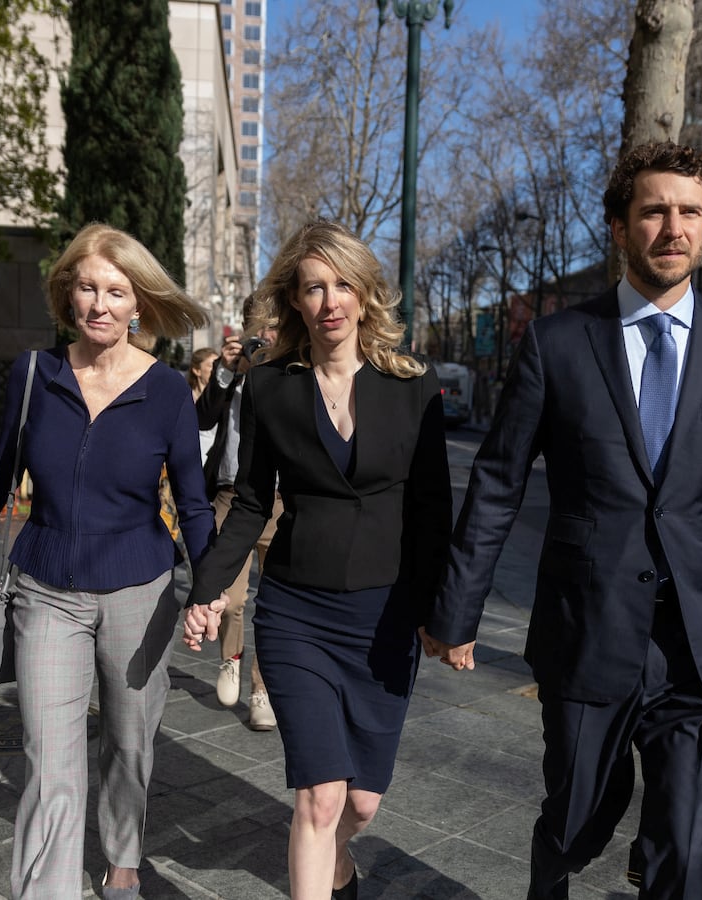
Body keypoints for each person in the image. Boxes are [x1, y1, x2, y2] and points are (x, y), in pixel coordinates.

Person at [422, 141, 702, 900]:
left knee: (686, 848)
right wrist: (457, 612)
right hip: (587, 629)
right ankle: (548, 880)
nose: (673, 227)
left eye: (691, 213)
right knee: (579, 818)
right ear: (620, 227)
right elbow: (497, 483)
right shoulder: (558, 343)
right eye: (654, 211)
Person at [183, 220, 451, 900]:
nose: (329, 300)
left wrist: (445, 614)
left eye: (341, 284)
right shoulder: (272, 388)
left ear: (364, 293)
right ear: (295, 302)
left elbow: (432, 515)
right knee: (319, 799)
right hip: (297, 613)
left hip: (383, 621)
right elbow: (249, 501)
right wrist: (207, 590)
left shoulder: (414, 387)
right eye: (312, 287)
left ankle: (341, 875)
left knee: (359, 806)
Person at [0, 222, 213, 900]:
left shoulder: (167, 390)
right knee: (49, 759)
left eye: (116, 290)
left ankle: (123, 859)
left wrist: (209, 587)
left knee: (129, 742)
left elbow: (194, 503)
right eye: (87, 287)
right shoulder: (33, 375)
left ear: (139, 303)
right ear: (67, 296)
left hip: (141, 591)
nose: (101, 303)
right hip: (45, 586)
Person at [195, 317, 282, 730]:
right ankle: (230, 658)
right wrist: (227, 371)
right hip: (232, 496)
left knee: (274, 602)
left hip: (283, 502)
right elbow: (202, 419)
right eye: (257, 332)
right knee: (230, 597)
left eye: (275, 329)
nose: (264, 340)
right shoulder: (232, 374)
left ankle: (261, 687)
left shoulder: (291, 372)